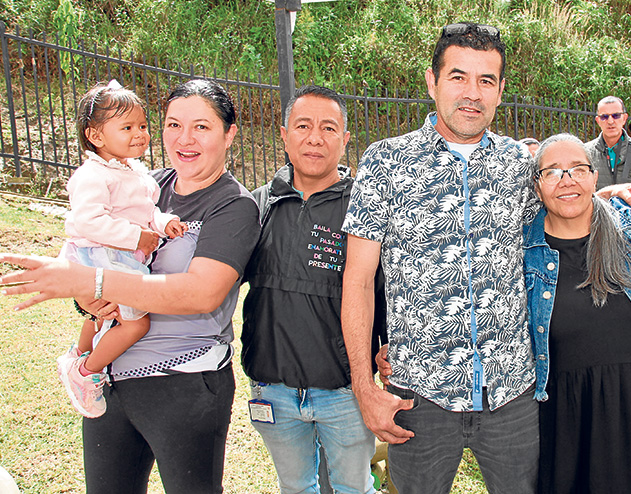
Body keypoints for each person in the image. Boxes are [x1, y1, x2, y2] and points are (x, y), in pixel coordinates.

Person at [0, 79, 260, 493]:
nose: (184, 139)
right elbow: (93, 247)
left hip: (184, 383)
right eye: (173, 125)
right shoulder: (143, 183)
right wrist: (89, 299)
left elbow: (200, 294)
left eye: (202, 127)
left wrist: (95, 280)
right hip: (111, 382)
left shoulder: (233, 205)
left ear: (230, 134)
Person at [340, 22, 541, 494]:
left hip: (511, 394)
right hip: (419, 399)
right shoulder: (386, 162)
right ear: (431, 81)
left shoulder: (519, 165)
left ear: (501, 90)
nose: (472, 93)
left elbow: (570, 209)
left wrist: (621, 192)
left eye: (486, 80)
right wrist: (364, 387)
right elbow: (358, 279)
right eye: (458, 77)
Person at [241, 84, 385, 494]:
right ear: (284, 135)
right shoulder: (258, 206)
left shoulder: (366, 209)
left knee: (354, 488)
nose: (314, 137)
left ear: (345, 138)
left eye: (328, 127)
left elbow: (387, 290)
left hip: (344, 393)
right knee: (296, 488)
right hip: (273, 392)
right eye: (302, 126)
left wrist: (388, 347)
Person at [525, 133, 631, 493]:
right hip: (567, 417)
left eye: (577, 169)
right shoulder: (524, 249)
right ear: (537, 187)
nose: (567, 180)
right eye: (552, 172)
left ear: (595, 177)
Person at [56, 80, 187, 419]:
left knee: (104, 314)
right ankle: (86, 371)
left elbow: (144, 212)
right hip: (104, 253)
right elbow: (87, 222)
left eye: (142, 126)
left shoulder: (134, 172)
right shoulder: (93, 175)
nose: (140, 134)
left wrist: (162, 223)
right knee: (135, 323)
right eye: (127, 127)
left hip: (120, 255)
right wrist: (136, 238)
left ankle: (78, 353)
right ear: (96, 136)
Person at [585, 95, 631, 188]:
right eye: (604, 117)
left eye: (616, 116)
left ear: (624, 118)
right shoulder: (586, 152)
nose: (610, 121)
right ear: (598, 120)